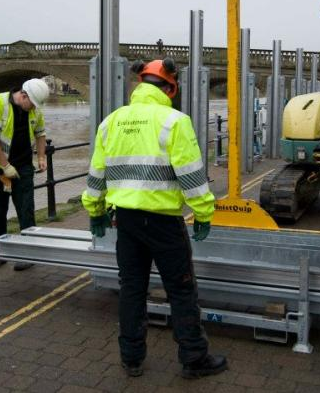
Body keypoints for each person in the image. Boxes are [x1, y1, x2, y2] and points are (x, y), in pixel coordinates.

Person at [81, 58, 227, 379]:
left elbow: (96, 175)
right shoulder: (174, 122)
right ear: (170, 88)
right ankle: (193, 357)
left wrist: (95, 211)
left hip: (127, 222)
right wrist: (203, 213)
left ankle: (131, 358)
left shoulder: (111, 122)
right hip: (163, 222)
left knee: (132, 289)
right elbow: (191, 176)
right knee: (181, 288)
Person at [0, 78, 49, 271]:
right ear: (23, 95)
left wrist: (41, 157)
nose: (34, 108)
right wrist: (5, 165)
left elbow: (40, 134)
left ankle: (28, 254)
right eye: (32, 104)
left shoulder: (34, 110)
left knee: (26, 210)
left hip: (23, 167)